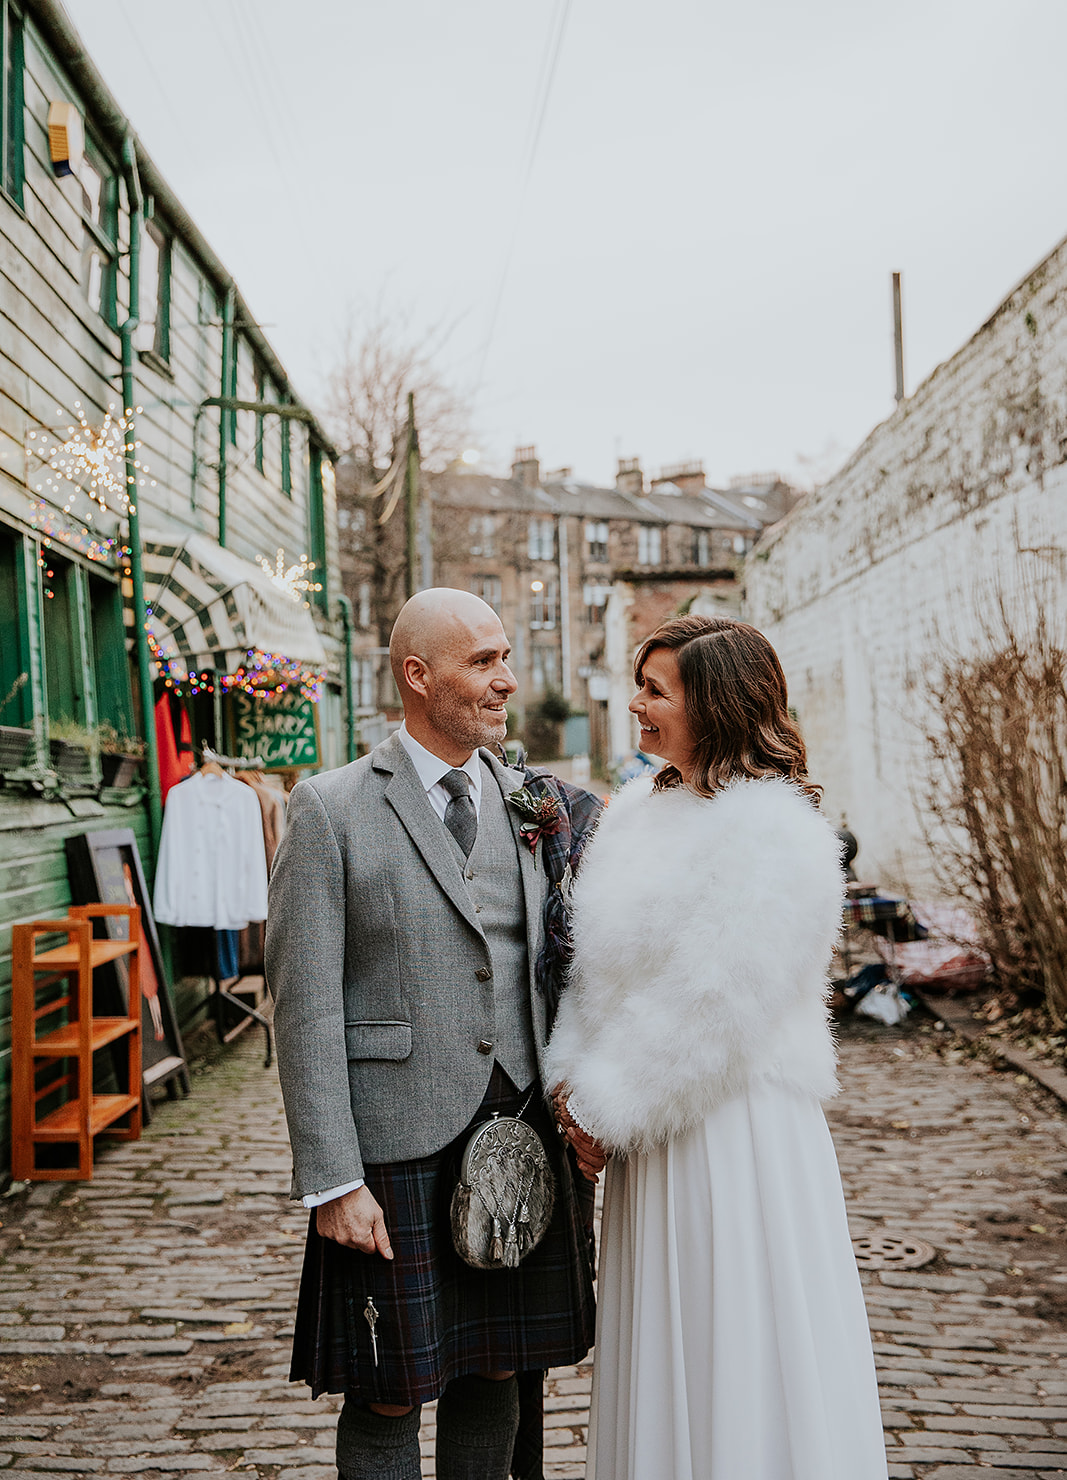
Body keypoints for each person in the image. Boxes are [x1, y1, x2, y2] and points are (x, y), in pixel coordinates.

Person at [265, 588, 597, 1480]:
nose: (506, 681)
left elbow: (559, 966)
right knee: (387, 1386)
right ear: (417, 676)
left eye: (504, 659)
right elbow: (302, 1007)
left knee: (497, 1364)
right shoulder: (329, 809)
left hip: (521, 1130)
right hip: (393, 1141)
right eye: (482, 662)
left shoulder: (532, 801)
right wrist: (332, 1178)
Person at [547, 615, 888, 1480]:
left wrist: (602, 1106)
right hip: (645, 1141)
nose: (636, 704)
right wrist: (574, 1088)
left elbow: (716, 1005)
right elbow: (597, 971)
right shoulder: (635, 813)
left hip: (732, 1133)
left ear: (717, 705)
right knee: (664, 1344)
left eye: (656, 690)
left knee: (734, 1333)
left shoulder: (774, 834)